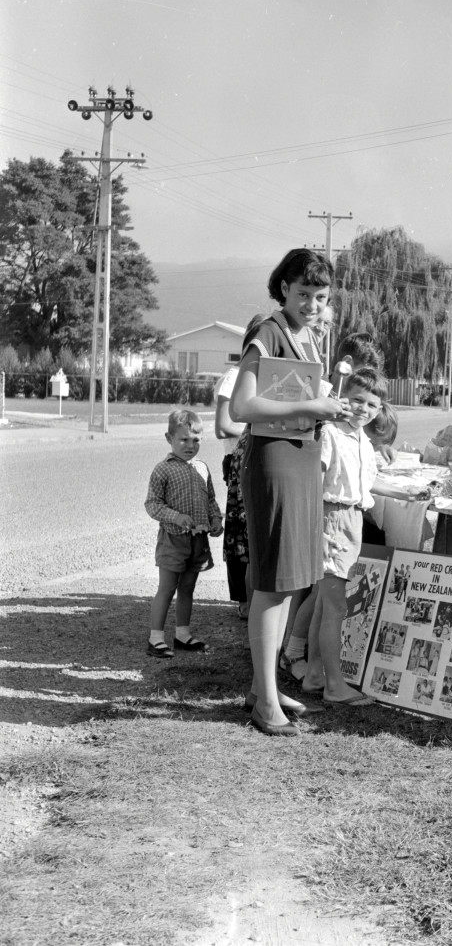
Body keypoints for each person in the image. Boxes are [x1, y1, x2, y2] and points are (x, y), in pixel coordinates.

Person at [229, 247, 346, 736]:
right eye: (303, 294)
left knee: (294, 576)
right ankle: (263, 702)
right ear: (283, 289)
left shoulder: (307, 337)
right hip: (275, 458)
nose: (312, 305)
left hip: (301, 458)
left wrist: (324, 408)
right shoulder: (269, 332)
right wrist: (316, 407)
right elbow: (242, 407)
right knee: (274, 580)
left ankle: (266, 687)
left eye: (320, 297)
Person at [302, 366, 385, 705]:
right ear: (343, 399)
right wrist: (316, 526)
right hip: (331, 518)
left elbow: (365, 484)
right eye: (357, 400)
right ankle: (335, 686)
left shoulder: (362, 439)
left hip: (353, 519)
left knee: (324, 604)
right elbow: (315, 480)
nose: (363, 409)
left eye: (372, 405)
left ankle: (313, 673)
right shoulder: (333, 434)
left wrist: (407, 494)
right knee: (336, 606)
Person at [144, 409, 223, 658]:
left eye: (196, 440)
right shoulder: (163, 470)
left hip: (197, 539)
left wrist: (216, 519)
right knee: (167, 588)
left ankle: (182, 634)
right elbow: (152, 505)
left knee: (188, 587)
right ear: (169, 438)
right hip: (173, 539)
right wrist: (176, 517)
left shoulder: (202, 468)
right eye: (184, 440)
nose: (190, 446)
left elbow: (210, 499)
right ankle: (155, 638)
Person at [216, 314, 265, 618]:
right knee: (240, 534)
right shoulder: (235, 377)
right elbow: (223, 425)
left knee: (252, 534)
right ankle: (243, 601)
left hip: (257, 456)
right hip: (240, 460)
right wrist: (257, 425)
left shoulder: (264, 375)